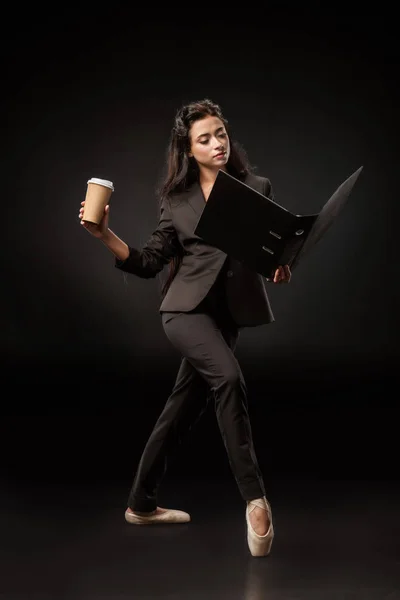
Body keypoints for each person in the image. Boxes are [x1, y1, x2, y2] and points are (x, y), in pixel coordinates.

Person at [78, 98, 292, 557]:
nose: (217, 143)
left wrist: (278, 264)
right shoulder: (177, 200)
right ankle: (256, 501)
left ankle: (141, 503)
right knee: (229, 379)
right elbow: (150, 261)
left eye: (220, 134)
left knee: (179, 411)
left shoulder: (256, 187)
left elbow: (265, 249)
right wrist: (104, 236)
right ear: (188, 149)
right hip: (183, 313)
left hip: (226, 316)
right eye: (204, 139)